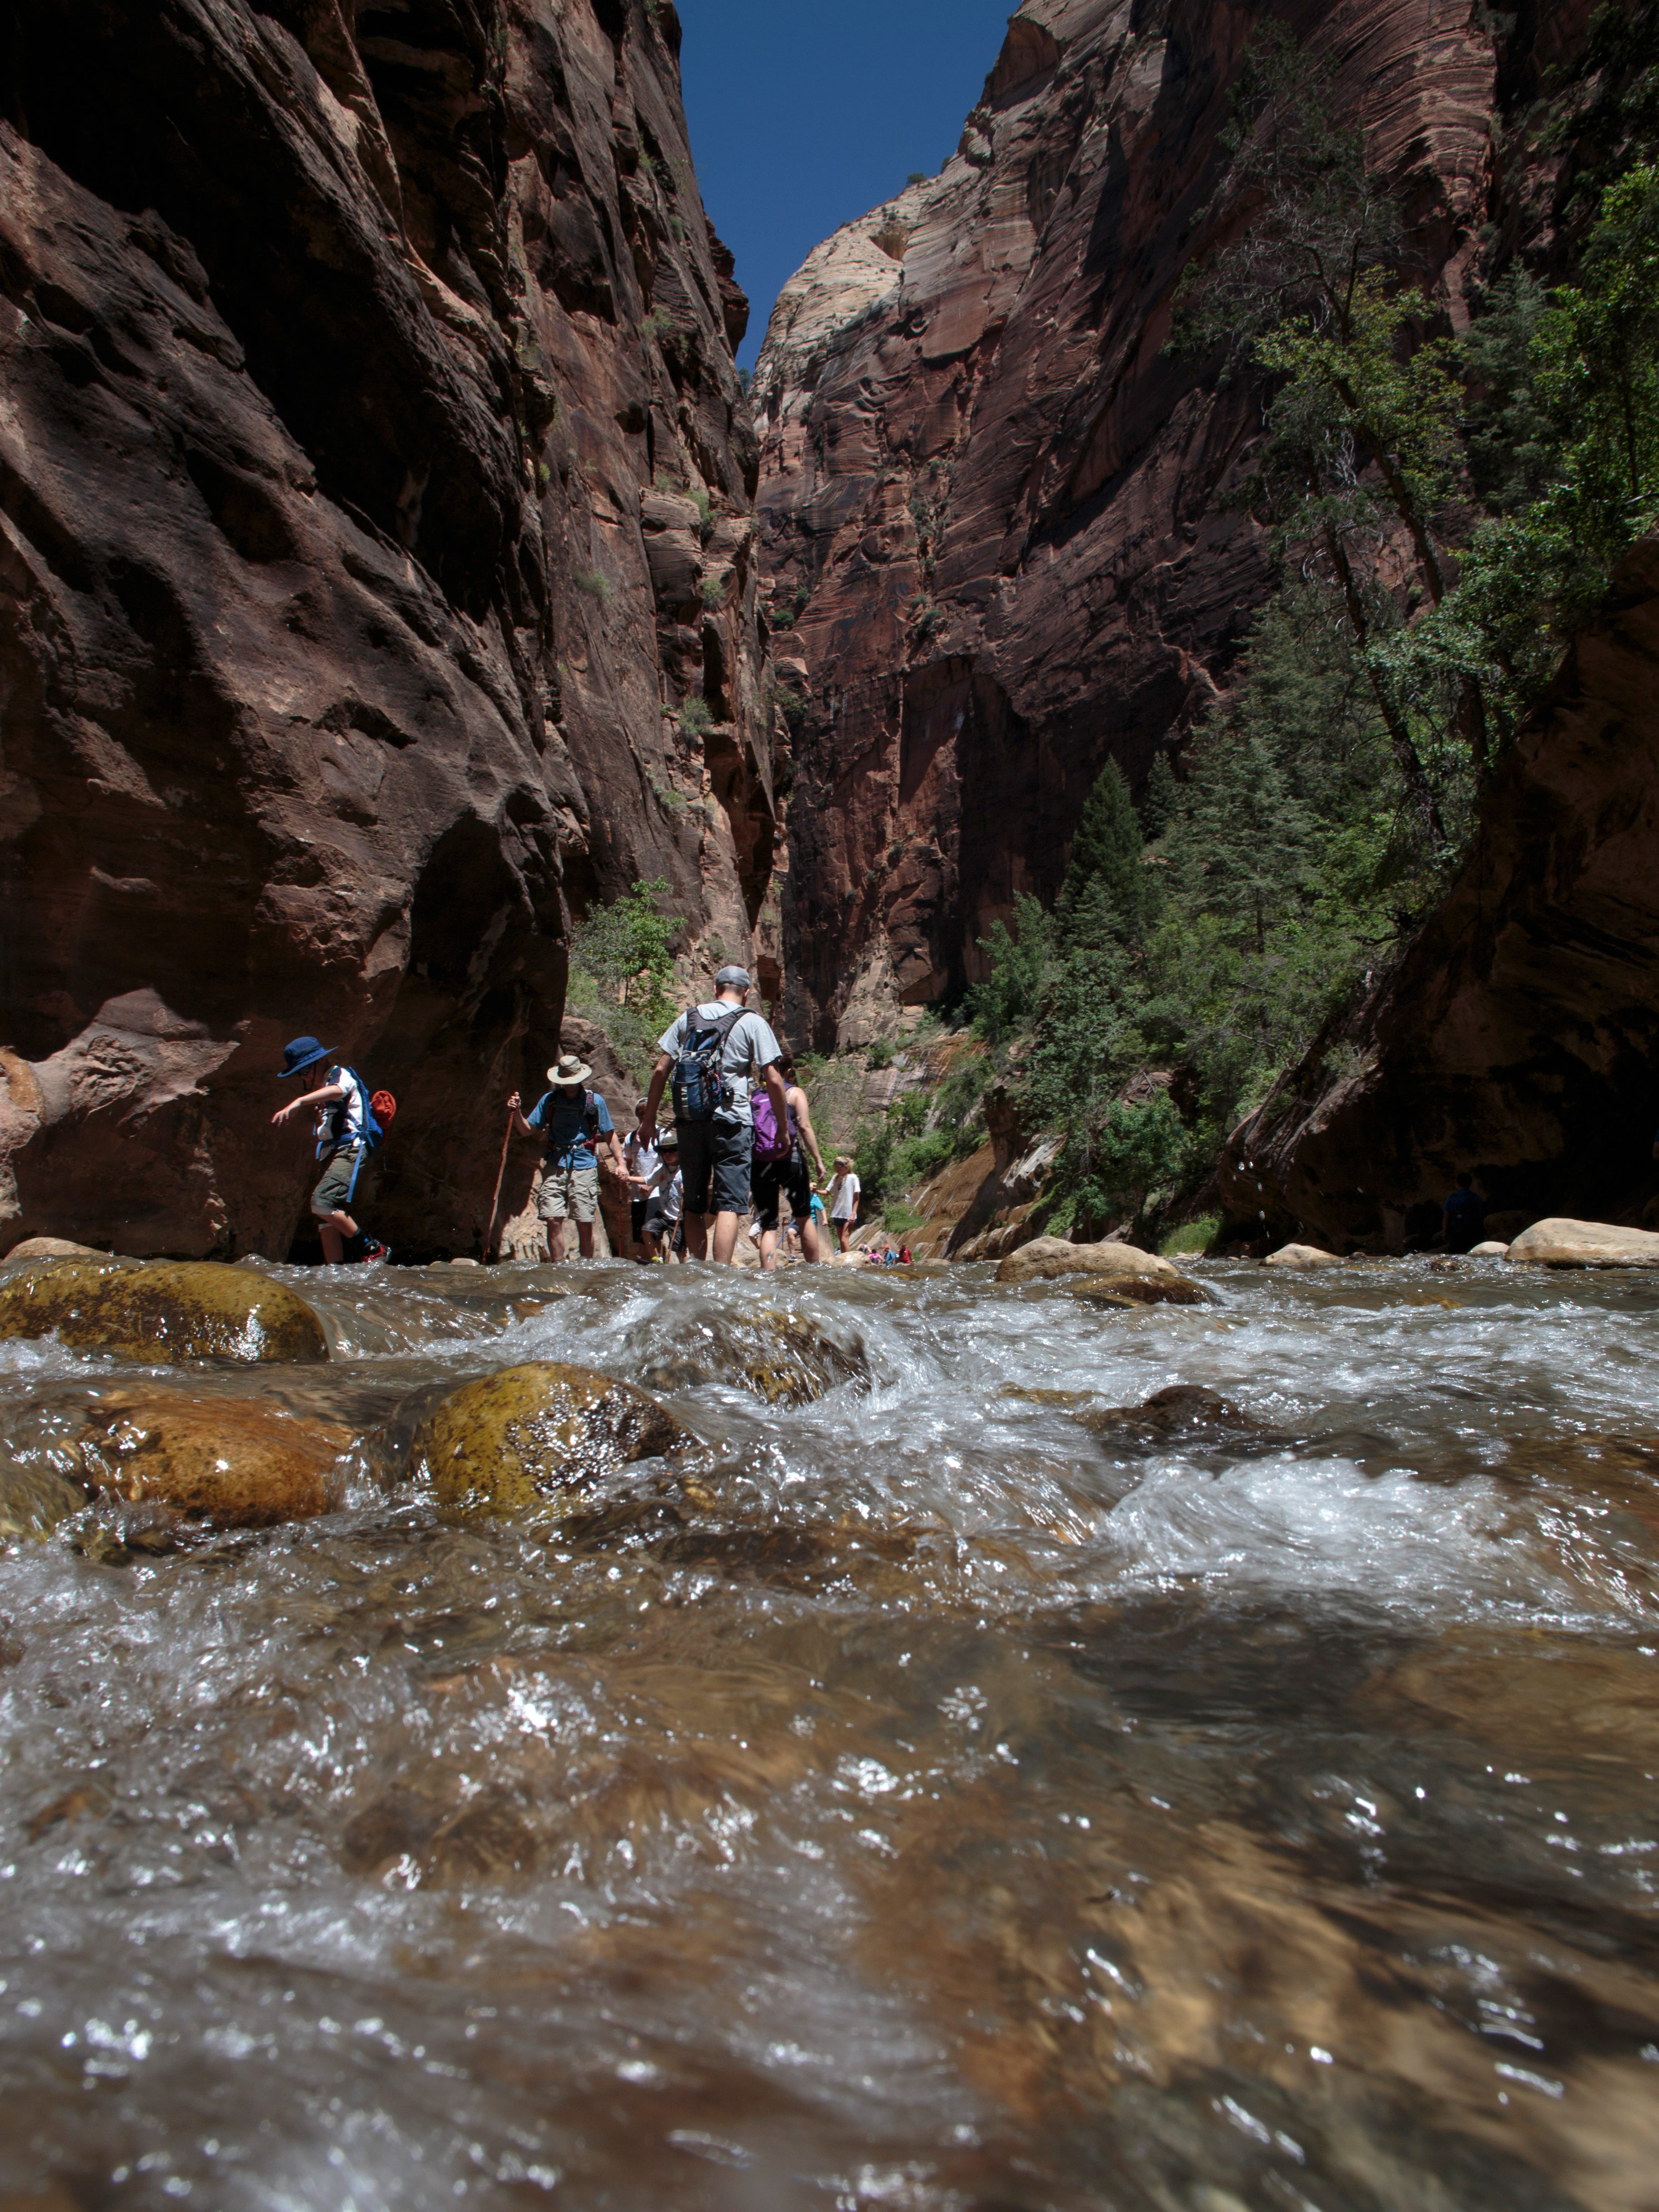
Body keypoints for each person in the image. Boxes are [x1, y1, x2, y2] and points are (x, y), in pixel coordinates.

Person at [641, 966, 789, 1266]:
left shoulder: (688, 1018)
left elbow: (660, 1069)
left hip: (690, 1121)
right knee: (729, 1205)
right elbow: (773, 1079)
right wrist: (783, 1129)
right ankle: (719, 1275)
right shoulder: (752, 1022)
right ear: (746, 992)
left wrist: (648, 1121)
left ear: (716, 988)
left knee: (693, 1205)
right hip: (733, 1123)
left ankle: (696, 1272)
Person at [272, 1036, 391, 1265]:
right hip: (333, 1151)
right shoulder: (323, 1092)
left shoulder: (340, 1075)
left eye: (306, 1070)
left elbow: (339, 1091)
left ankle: (374, 1249)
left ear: (321, 1061)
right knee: (325, 1216)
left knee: (322, 1202)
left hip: (351, 1147)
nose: (305, 1076)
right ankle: (333, 1269)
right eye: (300, 1073)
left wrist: (299, 1102)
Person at [508, 1052, 625, 1262]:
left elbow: (609, 1134)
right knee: (553, 1218)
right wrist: (516, 1113)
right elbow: (527, 1130)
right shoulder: (550, 1100)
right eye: (565, 1082)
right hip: (555, 1162)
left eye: (573, 1081)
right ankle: (558, 1267)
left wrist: (621, 1163)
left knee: (584, 1219)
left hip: (584, 1164)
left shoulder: (594, 1101)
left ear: (580, 1078)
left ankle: (586, 1265)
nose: (569, 1085)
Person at [752, 1053, 829, 1272]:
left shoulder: (754, 1096)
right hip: (791, 1159)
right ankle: (815, 1272)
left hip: (761, 1162)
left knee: (769, 1226)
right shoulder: (794, 1093)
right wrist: (818, 1160)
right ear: (788, 1071)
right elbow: (805, 1127)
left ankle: (768, 1275)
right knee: (804, 1217)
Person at [623, 1100, 662, 1262]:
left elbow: (665, 1164)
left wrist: (651, 1184)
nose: (644, 1117)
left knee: (653, 1231)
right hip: (638, 1194)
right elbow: (626, 1163)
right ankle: (647, 1266)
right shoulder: (631, 1138)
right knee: (640, 1235)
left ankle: (658, 1264)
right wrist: (621, 1171)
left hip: (658, 1191)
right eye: (641, 1113)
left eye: (648, 1113)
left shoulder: (662, 1135)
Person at [638, 1130, 681, 1262]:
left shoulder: (684, 1170)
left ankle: (686, 1272)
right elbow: (647, 1180)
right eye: (664, 1151)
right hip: (665, 1215)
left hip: (679, 1217)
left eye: (672, 1150)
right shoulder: (662, 1170)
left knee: (680, 1250)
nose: (668, 1154)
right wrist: (627, 1178)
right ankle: (657, 1259)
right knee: (647, 1230)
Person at [1442, 1171, 1486, 1255]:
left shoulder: (1452, 1198)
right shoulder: (1475, 1197)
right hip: (1472, 1232)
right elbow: (1481, 1215)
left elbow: (1446, 1216)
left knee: (1456, 1255)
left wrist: (1445, 1231)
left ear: (1457, 1184)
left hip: (1455, 1232)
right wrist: (1483, 1232)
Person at [824, 1156, 861, 1254]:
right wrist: (815, 1191)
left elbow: (857, 1197)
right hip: (837, 1213)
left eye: (838, 1168)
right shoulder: (835, 1178)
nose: (837, 1170)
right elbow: (827, 1192)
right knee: (841, 1240)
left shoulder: (853, 1178)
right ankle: (845, 1261)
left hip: (848, 1214)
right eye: (835, 1168)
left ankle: (849, 1262)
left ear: (845, 1167)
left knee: (845, 1240)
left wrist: (853, 1214)